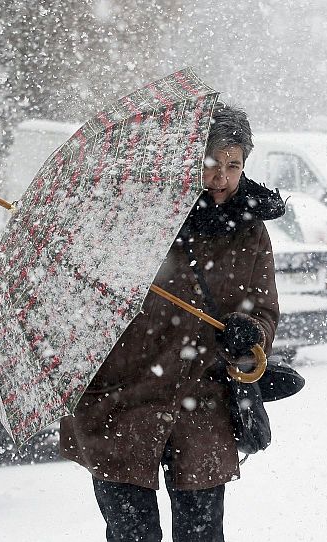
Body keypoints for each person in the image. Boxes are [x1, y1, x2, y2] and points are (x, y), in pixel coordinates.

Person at [60, 104, 285, 541]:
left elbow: (264, 310)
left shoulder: (250, 230)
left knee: (201, 535)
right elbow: (88, 303)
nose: (221, 178)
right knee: (132, 535)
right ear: (187, 160)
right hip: (123, 399)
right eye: (211, 163)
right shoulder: (133, 217)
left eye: (233, 165)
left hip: (203, 401)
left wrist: (250, 333)